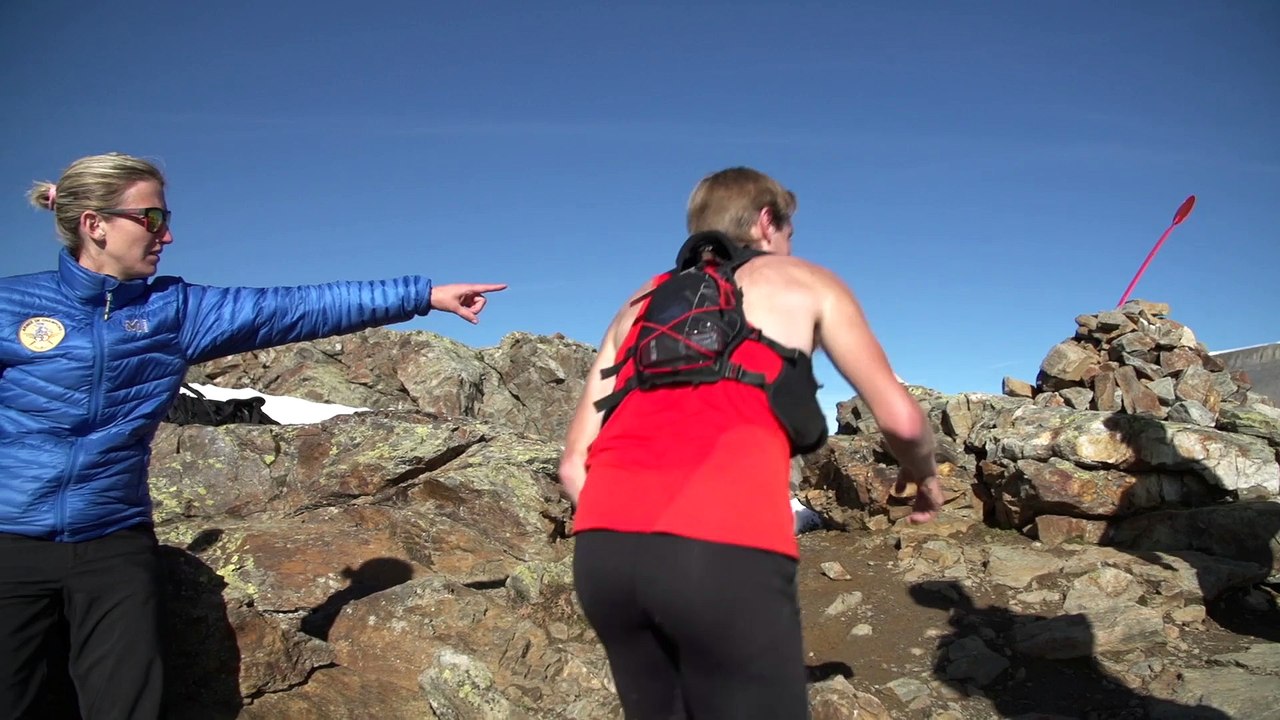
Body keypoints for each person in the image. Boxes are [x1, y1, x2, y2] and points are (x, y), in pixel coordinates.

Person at [0, 152, 505, 719]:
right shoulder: (11, 305)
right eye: (154, 219)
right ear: (95, 224)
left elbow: (293, 309)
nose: (168, 235)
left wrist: (422, 296)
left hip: (111, 540)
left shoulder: (175, 310)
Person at [560, 167, 943, 719]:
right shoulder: (805, 281)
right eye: (789, 234)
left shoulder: (640, 303)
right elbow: (903, 422)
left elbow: (574, 464)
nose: (790, 246)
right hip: (725, 550)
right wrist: (925, 476)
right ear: (768, 222)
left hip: (604, 555)